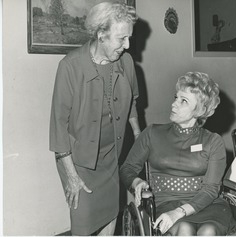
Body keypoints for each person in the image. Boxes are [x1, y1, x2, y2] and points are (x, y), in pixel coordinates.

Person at [49, 1, 140, 235]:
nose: (127, 45)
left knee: (111, 216)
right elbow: (58, 125)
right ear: (101, 34)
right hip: (78, 161)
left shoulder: (126, 63)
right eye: (121, 39)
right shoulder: (70, 66)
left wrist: (140, 142)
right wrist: (71, 176)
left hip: (111, 155)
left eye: (129, 38)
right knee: (83, 223)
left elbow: (132, 106)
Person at [120, 72, 236, 236]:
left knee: (208, 231)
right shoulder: (152, 133)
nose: (174, 104)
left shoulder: (213, 141)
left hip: (207, 205)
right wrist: (136, 181)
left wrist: (179, 212)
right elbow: (127, 168)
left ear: (199, 110)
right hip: (166, 204)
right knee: (185, 229)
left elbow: (210, 190)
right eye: (176, 97)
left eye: (184, 101)